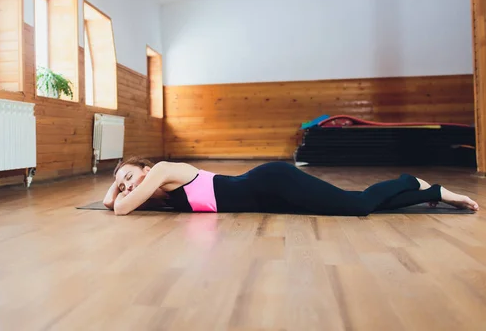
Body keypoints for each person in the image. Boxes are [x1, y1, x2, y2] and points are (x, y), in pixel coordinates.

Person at [103, 157, 480, 216]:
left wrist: (121, 192)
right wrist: (115, 186)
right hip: (269, 195)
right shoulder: (158, 191)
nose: (125, 185)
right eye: (122, 183)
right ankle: (426, 191)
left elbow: (118, 208)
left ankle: (413, 182)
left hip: (272, 180)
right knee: (353, 203)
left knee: (358, 206)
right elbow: (112, 203)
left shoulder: (164, 169)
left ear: (146, 167)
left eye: (129, 176)